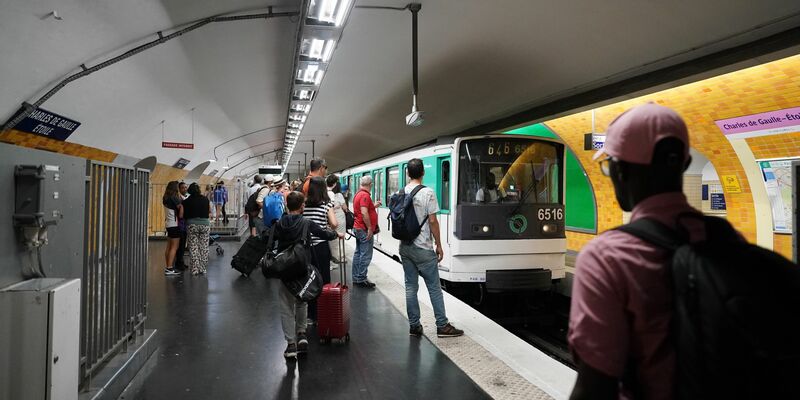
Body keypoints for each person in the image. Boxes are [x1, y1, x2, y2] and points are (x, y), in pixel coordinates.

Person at [568, 103, 708, 400]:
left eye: (608, 166)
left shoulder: (607, 258)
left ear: (619, 170)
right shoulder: (728, 240)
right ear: (684, 165)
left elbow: (595, 387)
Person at [271, 191, 341, 358]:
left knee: (286, 306)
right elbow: (324, 234)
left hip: (285, 269)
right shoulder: (306, 222)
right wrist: (336, 234)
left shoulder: (279, 224)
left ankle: (291, 345)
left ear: (287, 205)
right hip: (302, 268)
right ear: (302, 206)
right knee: (302, 301)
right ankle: (302, 335)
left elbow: (269, 240)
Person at [400, 158, 464, 338]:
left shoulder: (401, 192)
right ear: (423, 173)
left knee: (410, 287)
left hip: (405, 247)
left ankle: (414, 326)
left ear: (407, 173)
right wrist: (439, 245)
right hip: (423, 248)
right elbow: (433, 221)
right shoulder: (428, 193)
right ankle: (442, 325)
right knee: (434, 288)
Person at [303, 176, 338, 324]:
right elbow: (334, 224)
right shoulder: (326, 205)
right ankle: (323, 313)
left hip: (306, 248)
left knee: (310, 280)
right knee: (323, 280)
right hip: (321, 248)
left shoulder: (304, 205)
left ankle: (311, 315)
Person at [351, 175, 380, 288]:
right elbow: (364, 212)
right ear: (371, 185)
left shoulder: (358, 194)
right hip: (363, 229)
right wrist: (369, 228)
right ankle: (361, 279)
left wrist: (373, 206)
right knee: (365, 255)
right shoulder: (365, 195)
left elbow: (364, 209)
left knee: (358, 253)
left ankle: (356, 277)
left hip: (358, 228)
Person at [183, 183, 211, 276]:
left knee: (193, 246)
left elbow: (184, 215)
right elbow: (209, 211)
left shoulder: (186, 201)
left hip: (192, 225)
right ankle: (202, 268)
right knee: (204, 247)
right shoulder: (205, 199)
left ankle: (195, 269)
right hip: (205, 224)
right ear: (199, 190)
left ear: (189, 190)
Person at [162, 181, 183, 276]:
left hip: (168, 223)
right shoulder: (174, 197)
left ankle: (168, 266)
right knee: (174, 247)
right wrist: (182, 209)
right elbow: (180, 209)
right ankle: (169, 268)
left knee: (169, 246)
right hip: (174, 224)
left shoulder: (165, 197)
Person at [327, 174, 348, 265]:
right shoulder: (338, 195)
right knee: (340, 238)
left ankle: (333, 257)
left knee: (331, 239)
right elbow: (345, 207)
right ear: (335, 184)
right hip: (339, 219)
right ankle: (340, 257)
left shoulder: (324, 192)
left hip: (329, 219)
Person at [174, 181, 190, 270]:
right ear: (179, 189)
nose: (185, 189)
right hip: (180, 224)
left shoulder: (185, 198)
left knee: (183, 245)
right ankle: (179, 263)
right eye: (183, 188)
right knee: (181, 245)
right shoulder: (179, 199)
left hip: (184, 224)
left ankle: (181, 262)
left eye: (186, 187)